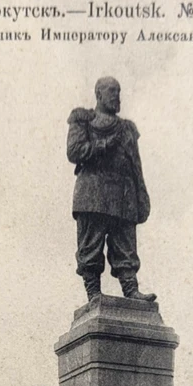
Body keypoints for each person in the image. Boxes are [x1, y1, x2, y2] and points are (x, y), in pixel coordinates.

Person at [67, 77, 156, 303]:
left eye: (119, 91)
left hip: (124, 195)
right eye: (112, 91)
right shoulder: (83, 119)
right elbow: (74, 151)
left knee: (125, 245)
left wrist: (141, 195)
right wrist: (103, 145)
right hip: (93, 193)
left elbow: (136, 165)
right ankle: (94, 294)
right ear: (98, 94)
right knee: (91, 246)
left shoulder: (127, 128)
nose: (117, 96)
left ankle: (131, 289)